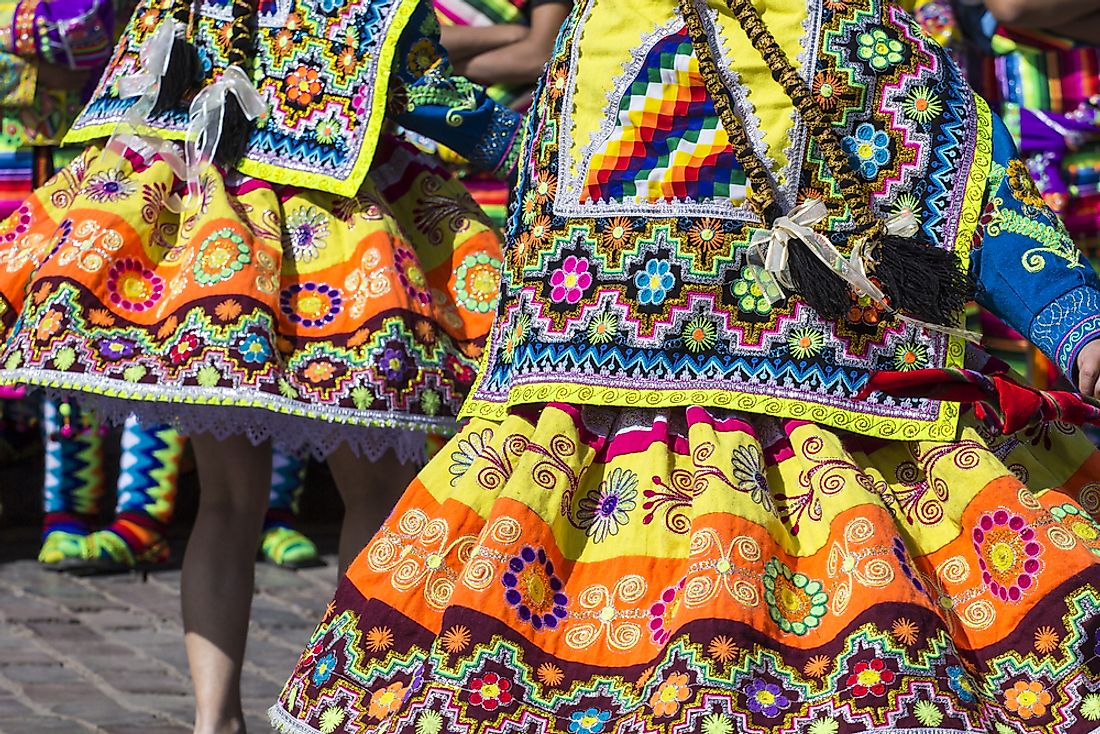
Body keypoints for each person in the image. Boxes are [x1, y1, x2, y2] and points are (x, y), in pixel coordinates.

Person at [272, 0, 1100, 731]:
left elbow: (974, 195)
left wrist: (1076, 324)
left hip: (830, 448)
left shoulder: (861, 36)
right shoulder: (602, 35)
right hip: (601, 460)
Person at [0, 0, 520, 729]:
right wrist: (531, 142)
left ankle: (217, 721)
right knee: (374, 493)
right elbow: (425, 90)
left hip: (219, 240)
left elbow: (132, 80)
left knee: (227, 501)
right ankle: (356, 706)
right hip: (335, 244)